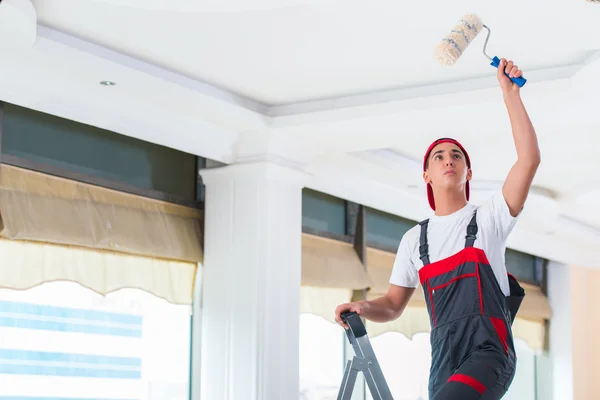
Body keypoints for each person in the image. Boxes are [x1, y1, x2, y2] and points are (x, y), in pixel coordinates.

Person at [334, 59, 540, 400]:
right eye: (439, 156)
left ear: (468, 173)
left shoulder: (489, 219)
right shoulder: (415, 241)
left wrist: (510, 94)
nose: (449, 160)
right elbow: (394, 305)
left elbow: (529, 159)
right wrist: (365, 308)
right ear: (426, 175)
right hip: (443, 361)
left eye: (457, 156)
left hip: (490, 353)